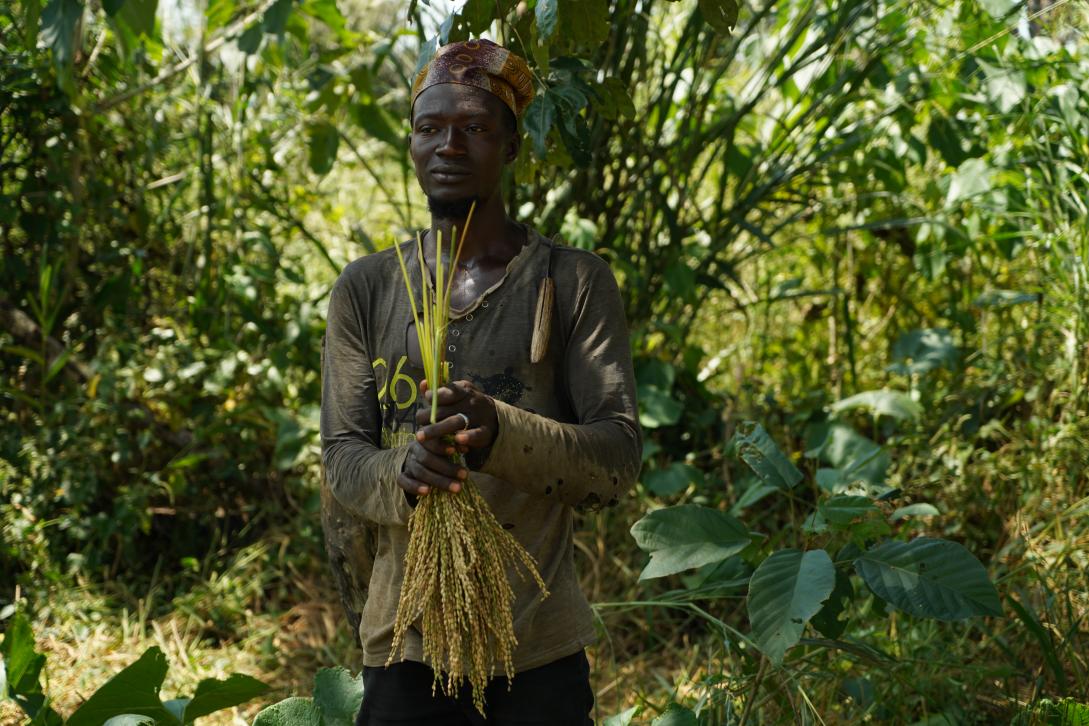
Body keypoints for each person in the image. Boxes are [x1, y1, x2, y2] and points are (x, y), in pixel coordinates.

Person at [319, 38, 641, 726]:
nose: (449, 145)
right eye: (429, 127)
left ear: (512, 148)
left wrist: (500, 432)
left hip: (535, 644)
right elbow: (342, 459)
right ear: (409, 143)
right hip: (405, 645)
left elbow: (614, 462)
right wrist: (406, 470)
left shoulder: (572, 281)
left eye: (475, 128)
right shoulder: (368, 288)